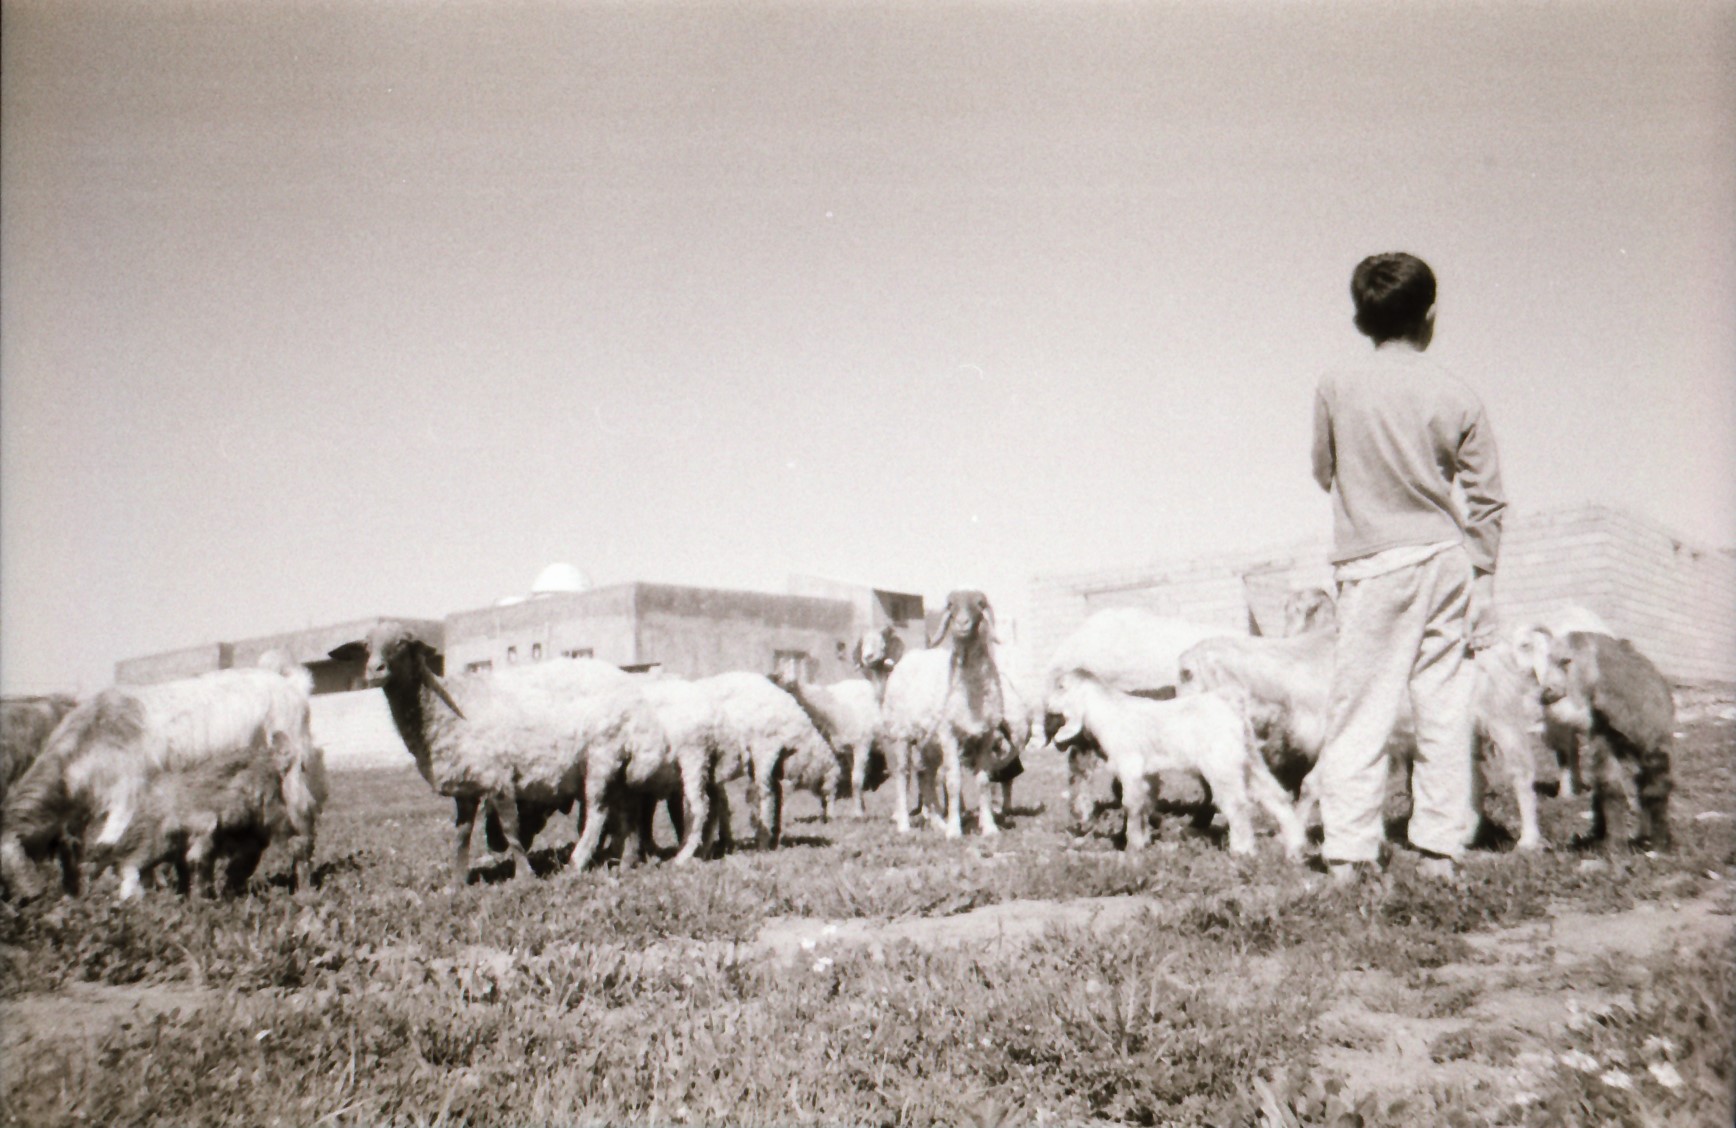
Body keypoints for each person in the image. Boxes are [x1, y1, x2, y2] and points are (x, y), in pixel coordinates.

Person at [1309, 252, 1506, 882]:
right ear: (1429, 315)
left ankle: (1347, 852)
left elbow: (1322, 470)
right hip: (1446, 561)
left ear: (1360, 318)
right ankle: (1440, 851)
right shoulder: (1457, 392)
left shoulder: (1336, 383)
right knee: (1444, 707)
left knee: (1360, 706)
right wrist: (1484, 577)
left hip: (1372, 563)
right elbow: (1488, 499)